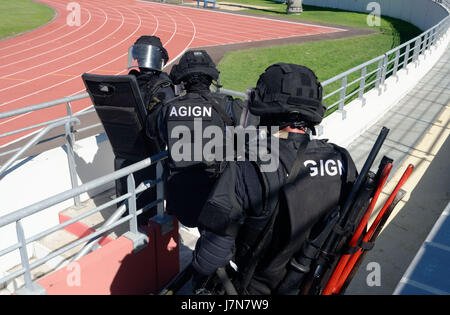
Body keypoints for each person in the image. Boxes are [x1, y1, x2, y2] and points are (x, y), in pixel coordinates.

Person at [189, 63, 358, 295]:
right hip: (317, 285)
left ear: (267, 110)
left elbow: (209, 261)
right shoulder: (343, 160)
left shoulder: (247, 166)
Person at [146, 49, 258, 228]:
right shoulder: (228, 106)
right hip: (217, 198)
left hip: (180, 200)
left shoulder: (166, 109)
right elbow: (253, 135)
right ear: (211, 76)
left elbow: (154, 133)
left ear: (181, 78)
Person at [115, 35, 175, 226]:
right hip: (140, 148)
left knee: (145, 190)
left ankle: (139, 218)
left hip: (140, 148)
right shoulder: (134, 80)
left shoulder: (161, 85)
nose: (141, 60)